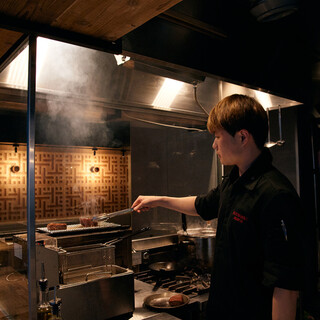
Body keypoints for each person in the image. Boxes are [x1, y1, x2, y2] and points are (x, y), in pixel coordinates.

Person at [132, 94, 304, 320]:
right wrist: (158, 200)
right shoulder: (234, 181)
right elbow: (202, 204)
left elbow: (285, 288)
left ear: (243, 137)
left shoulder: (275, 194)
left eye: (218, 136)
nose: (214, 145)